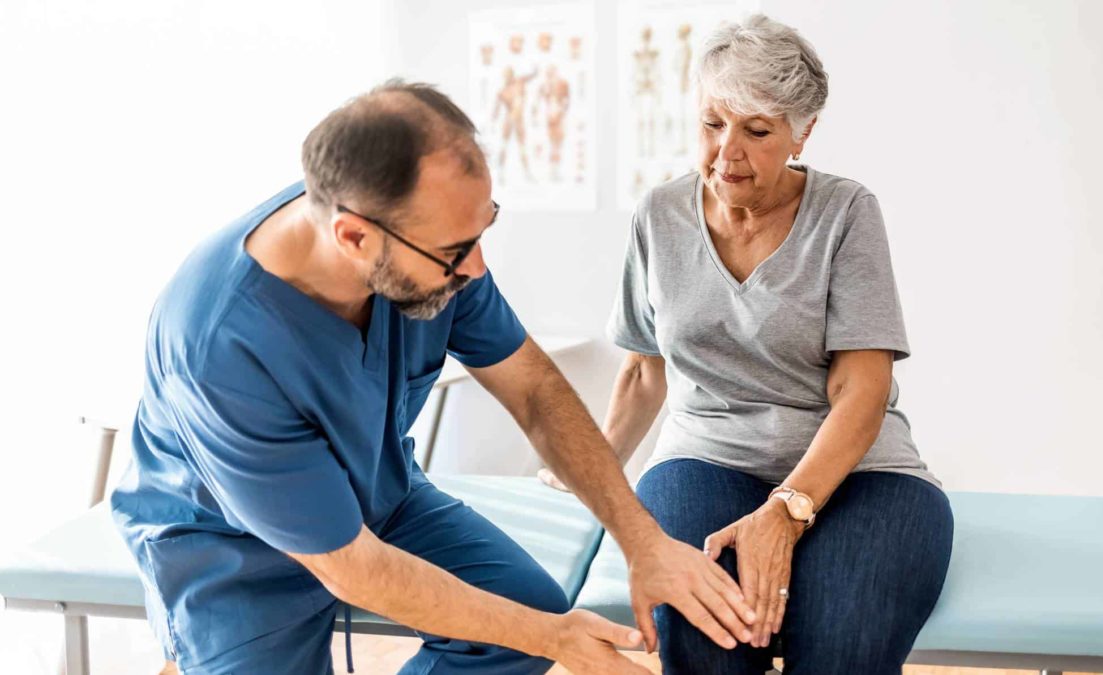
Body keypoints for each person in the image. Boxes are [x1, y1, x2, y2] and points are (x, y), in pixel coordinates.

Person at [110, 79, 756, 675]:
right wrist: (555, 638)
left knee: (522, 610)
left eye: (483, 230)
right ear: (355, 237)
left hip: (377, 498)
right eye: (455, 252)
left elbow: (532, 388)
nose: (476, 268)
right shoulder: (221, 342)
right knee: (536, 625)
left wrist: (642, 541)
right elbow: (352, 566)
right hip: (232, 553)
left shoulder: (431, 247)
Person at [540, 15, 954, 674]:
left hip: (860, 475)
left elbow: (862, 388)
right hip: (704, 458)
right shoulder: (660, 215)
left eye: (756, 130)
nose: (726, 152)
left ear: (802, 132)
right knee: (709, 643)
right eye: (711, 123)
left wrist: (785, 513)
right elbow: (644, 374)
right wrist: (591, 471)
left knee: (841, 649)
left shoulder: (846, 213)